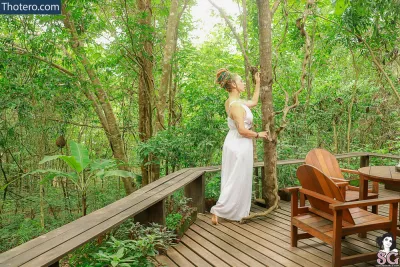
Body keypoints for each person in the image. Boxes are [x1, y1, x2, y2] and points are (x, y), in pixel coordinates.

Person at [210, 68, 269, 225]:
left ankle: (234, 211)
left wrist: (258, 83)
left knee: (236, 176)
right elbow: (242, 130)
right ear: (234, 84)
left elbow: (254, 102)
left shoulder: (232, 102)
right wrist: (258, 134)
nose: (243, 83)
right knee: (236, 177)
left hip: (235, 142)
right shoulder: (236, 106)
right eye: (241, 81)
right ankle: (219, 210)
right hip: (239, 144)